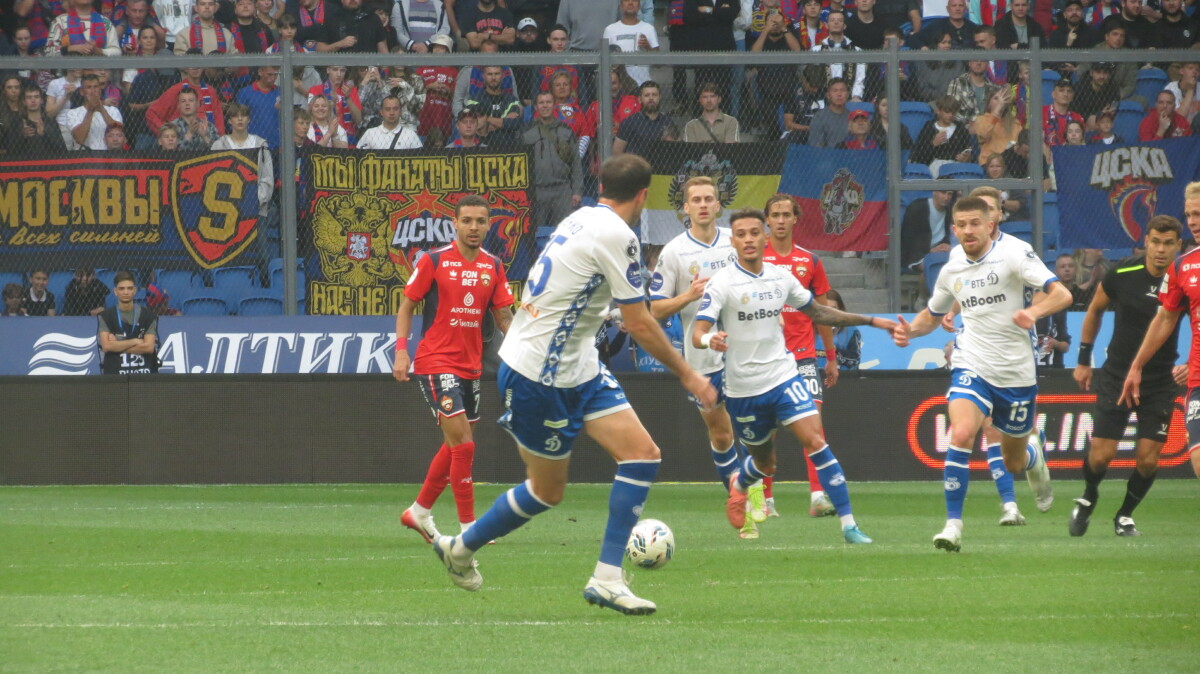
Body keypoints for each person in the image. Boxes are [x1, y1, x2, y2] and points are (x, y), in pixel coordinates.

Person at [430, 155, 718, 616]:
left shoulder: (579, 217)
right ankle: (460, 548)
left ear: (601, 188)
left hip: (578, 362)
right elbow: (638, 322)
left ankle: (607, 578)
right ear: (643, 196)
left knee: (642, 455)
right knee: (547, 491)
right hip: (539, 373)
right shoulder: (618, 235)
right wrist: (689, 373)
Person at [692, 208, 896, 544]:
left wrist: (871, 321)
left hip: (783, 376)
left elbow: (819, 312)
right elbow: (698, 331)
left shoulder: (781, 277)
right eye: (741, 234)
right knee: (766, 463)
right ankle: (741, 484)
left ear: (765, 237)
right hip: (743, 389)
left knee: (816, 440)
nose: (748, 239)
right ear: (733, 242)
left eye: (754, 233)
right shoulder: (722, 283)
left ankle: (849, 525)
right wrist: (708, 339)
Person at [893, 196, 1072, 552]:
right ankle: (953, 526)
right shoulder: (951, 267)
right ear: (953, 229)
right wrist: (909, 331)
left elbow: (1062, 294)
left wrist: (1033, 314)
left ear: (990, 225)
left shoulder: (1015, 253)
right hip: (971, 362)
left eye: (976, 223)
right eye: (962, 225)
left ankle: (1033, 456)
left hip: (1016, 371)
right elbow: (932, 314)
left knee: (1013, 461)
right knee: (961, 432)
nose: (969, 230)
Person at [648, 177, 764, 539]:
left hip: (744, 352)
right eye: (695, 200)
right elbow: (654, 310)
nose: (702, 205)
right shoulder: (674, 252)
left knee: (753, 425)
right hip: (701, 358)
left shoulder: (735, 241)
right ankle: (740, 499)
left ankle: (752, 491)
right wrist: (688, 295)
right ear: (685, 208)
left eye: (708, 199)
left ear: (718, 205)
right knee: (721, 432)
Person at [396, 194, 516, 544]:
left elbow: (504, 316)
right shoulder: (434, 260)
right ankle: (469, 528)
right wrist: (401, 352)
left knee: (455, 445)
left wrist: (525, 350)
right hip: (435, 361)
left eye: (480, 221)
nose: (473, 227)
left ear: (489, 225)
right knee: (463, 444)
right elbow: (406, 306)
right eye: (467, 221)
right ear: (455, 224)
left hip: (470, 366)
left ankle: (419, 512)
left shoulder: (493, 266)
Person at [1071, 216, 1186, 536]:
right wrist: (1083, 359)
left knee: (1148, 460)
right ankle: (1089, 496)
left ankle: (1124, 516)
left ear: (1178, 246)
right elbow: (1095, 310)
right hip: (1118, 375)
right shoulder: (1122, 273)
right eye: (1155, 242)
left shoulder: (1185, 280)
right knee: (1101, 455)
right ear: (1146, 241)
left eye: (1168, 243)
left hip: (1160, 380)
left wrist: (1193, 362)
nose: (1160, 249)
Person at [761, 193, 842, 518]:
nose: (781, 220)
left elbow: (822, 313)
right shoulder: (754, 258)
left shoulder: (810, 261)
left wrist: (830, 357)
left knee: (813, 426)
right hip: (765, 358)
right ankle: (765, 500)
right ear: (767, 220)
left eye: (786, 214)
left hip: (804, 357)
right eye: (775, 215)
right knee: (766, 430)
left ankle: (818, 496)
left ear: (796, 219)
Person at [1120, 184, 1200, 480]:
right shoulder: (1182, 266)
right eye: (1189, 215)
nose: (1192, 222)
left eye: (1198, 214)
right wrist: (1137, 366)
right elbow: (1165, 317)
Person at [522, 91, 583, 227]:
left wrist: (577, 191)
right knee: (536, 231)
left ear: (554, 105)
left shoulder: (566, 130)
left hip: (562, 190)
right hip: (536, 191)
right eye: (541, 103)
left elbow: (576, 163)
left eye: (548, 102)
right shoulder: (526, 132)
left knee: (565, 231)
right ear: (536, 107)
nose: (545, 106)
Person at [98, 271, 159, 375]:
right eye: (121, 289)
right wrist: (135, 341)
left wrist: (117, 345)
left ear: (134, 290)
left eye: (129, 288)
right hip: (115, 375)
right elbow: (106, 346)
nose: (126, 292)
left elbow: (149, 348)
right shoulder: (106, 316)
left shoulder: (148, 315)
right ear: (115, 291)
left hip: (143, 373)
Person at [612, 81, 677, 157]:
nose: (651, 98)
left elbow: (676, 148)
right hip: (636, 163)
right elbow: (616, 153)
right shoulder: (629, 122)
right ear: (640, 99)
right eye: (647, 95)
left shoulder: (667, 121)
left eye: (654, 95)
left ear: (659, 98)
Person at [602, 0, 658, 86]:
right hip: (620, 86)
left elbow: (658, 61)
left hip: (643, 85)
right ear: (621, 6)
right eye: (626, 0)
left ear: (639, 6)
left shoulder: (649, 28)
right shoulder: (610, 30)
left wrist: (648, 47)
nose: (630, 3)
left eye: (635, 0)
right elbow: (604, 61)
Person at [900, 185, 956, 270]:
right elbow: (908, 239)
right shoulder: (918, 207)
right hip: (917, 255)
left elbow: (947, 236)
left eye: (949, 194)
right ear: (934, 192)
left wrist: (945, 245)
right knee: (936, 268)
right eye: (943, 192)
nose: (946, 197)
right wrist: (929, 250)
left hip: (940, 253)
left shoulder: (949, 211)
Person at [64, 74, 124, 151]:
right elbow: (79, 139)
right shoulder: (73, 113)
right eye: (89, 87)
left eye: (96, 87)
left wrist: (101, 109)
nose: (93, 91)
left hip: (108, 154)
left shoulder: (113, 110)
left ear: (100, 90)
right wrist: (90, 110)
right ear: (82, 92)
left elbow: (118, 133)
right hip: (84, 154)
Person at [815, 289, 862, 370]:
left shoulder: (850, 331)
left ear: (840, 310)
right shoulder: (806, 328)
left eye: (833, 309)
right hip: (812, 376)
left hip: (841, 376)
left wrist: (837, 352)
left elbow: (855, 361)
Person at [357, 95, 423, 149]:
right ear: (381, 112)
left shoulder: (410, 135)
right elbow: (359, 157)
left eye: (395, 109)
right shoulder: (370, 133)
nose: (392, 113)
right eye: (387, 109)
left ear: (401, 111)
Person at [173, 0, 238, 54]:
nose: (207, 7)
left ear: (216, 8)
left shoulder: (227, 34)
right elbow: (179, 61)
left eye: (210, 4)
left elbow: (234, 61)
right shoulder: (183, 34)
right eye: (202, 4)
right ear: (196, 8)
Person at [806, 78, 851, 149]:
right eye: (835, 91)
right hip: (828, 155)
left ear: (847, 94)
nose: (839, 94)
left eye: (842, 90)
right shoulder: (819, 117)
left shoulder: (852, 116)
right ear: (828, 95)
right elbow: (816, 146)